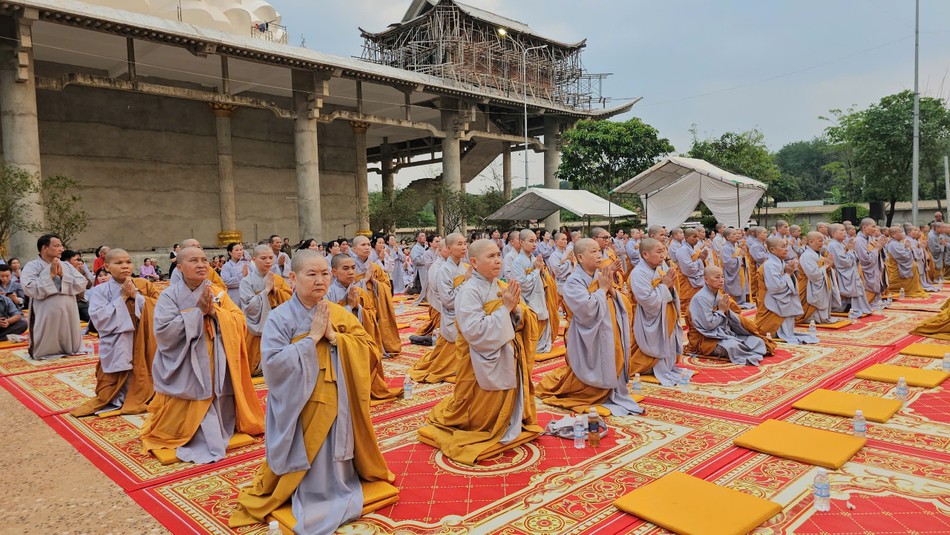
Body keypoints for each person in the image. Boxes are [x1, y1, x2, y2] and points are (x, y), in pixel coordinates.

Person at [229, 251, 396, 534]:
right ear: (292, 278)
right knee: (309, 454)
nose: (320, 281)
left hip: (337, 398)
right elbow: (273, 366)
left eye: (325, 274)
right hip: (301, 405)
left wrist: (335, 338)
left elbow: (369, 350)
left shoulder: (338, 312)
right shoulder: (280, 318)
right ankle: (304, 489)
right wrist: (312, 339)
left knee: (336, 452)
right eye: (312, 274)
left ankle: (339, 483)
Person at [422, 239, 542, 465]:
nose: (497, 260)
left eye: (498, 255)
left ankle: (503, 420)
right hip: (479, 358)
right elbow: (474, 331)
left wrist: (516, 311)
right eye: (491, 256)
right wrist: (505, 309)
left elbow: (524, 317)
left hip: (506, 353)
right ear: (474, 262)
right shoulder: (468, 291)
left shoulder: (501, 286)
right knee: (478, 406)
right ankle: (484, 423)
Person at [140, 246, 264, 464]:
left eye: (204, 260)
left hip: (216, 355)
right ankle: (189, 431)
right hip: (187, 359)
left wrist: (216, 313)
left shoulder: (216, 292)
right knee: (194, 392)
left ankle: (219, 427)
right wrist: (197, 314)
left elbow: (239, 320)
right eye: (194, 260)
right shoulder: (169, 295)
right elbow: (163, 331)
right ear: (179, 267)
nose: (201, 264)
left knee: (218, 391)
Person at [536, 238, 644, 415]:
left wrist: (610, 291)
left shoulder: (599, 277)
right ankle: (591, 390)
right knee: (592, 367)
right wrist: (602, 290)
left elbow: (622, 301)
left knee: (612, 357)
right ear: (580, 257)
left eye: (598, 251)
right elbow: (587, 310)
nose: (598, 255)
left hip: (608, 331)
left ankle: (610, 387)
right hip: (586, 335)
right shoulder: (574, 281)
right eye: (593, 252)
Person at [70, 249, 160, 417]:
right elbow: (98, 318)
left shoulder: (142, 285)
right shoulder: (100, 290)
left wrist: (138, 297)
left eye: (128, 262)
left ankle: (139, 395)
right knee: (117, 371)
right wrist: (123, 299)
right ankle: (118, 397)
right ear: (107, 267)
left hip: (140, 338)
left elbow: (157, 308)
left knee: (140, 366)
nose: (125, 266)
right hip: (115, 340)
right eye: (118, 263)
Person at [327, 254, 403, 404]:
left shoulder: (360, 292)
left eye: (353, 268)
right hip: (338, 342)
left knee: (372, 352)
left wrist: (358, 308)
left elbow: (371, 315)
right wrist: (349, 307)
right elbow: (331, 321)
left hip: (359, 338)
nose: (351, 272)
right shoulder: (328, 294)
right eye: (345, 268)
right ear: (334, 272)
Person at [408, 233, 470, 383]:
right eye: (459, 244)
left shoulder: (465, 267)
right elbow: (448, 300)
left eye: (464, 243)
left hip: (467, 315)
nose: (464, 247)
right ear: (448, 248)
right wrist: (466, 282)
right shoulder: (443, 270)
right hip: (452, 316)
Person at [627, 238, 684, 386]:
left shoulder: (660, 268)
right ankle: (648, 366)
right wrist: (665, 286)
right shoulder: (638, 273)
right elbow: (646, 300)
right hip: (650, 317)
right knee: (653, 342)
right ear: (645, 254)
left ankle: (666, 365)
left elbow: (670, 289)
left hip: (666, 313)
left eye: (663, 251)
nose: (663, 255)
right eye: (659, 252)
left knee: (668, 339)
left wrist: (669, 287)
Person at [22, 235, 89, 360]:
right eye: (57, 245)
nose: (61, 249)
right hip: (45, 308)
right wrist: (50, 275)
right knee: (46, 334)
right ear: (44, 248)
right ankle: (44, 352)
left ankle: (70, 349)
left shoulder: (66, 266)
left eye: (61, 246)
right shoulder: (32, 266)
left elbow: (82, 282)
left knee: (69, 335)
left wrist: (63, 275)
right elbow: (28, 287)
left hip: (68, 306)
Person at [685, 266, 768, 365]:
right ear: (706, 280)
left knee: (757, 341)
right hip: (706, 339)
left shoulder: (718, 294)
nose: (721, 280)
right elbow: (708, 325)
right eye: (717, 277)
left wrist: (726, 311)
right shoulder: (700, 298)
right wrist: (721, 311)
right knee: (733, 347)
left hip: (722, 334)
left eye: (722, 277)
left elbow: (730, 313)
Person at [240, 244, 293, 375]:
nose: (268, 261)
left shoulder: (279, 280)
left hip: (277, 326)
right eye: (263, 258)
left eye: (270, 257)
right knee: (253, 365)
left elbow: (291, 301)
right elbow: (248, 306)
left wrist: (276, 291)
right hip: (257, 327)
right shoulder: (247, 282)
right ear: (254, 259)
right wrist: (266, 291)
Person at [756, 237, 818, 344]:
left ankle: (783, 332)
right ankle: (775, 331)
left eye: (787, 246)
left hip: (779, 298)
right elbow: (775, 287)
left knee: (786, 308)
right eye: (783, 246)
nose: (786, 249)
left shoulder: (779, 262)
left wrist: (789, 273)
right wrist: (788, 274)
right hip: (771, 298)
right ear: (772, 250)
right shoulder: (770, 265)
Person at [352, 236, 402, 357]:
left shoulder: (375, 267)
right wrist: (364, 280)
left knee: (376, 324)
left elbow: (386, 285)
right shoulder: (349, 267)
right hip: (358, 305)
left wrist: (374, 282)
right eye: (363, 245)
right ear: (353, 249)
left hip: (375, 302)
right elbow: (346, 288)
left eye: (368, 245)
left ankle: (377, 346)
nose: (367, 247)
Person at [510, 229, 553, 354]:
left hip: (539, 295)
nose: (534, 244)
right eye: (531, 241)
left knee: (542, 320)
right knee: (532, 322)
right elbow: (523, 284)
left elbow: (543, 277)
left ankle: (540, 346)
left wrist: (542, 271)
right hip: (527, 298)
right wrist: (537, 271)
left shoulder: (534, 259)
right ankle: (531, 347)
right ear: (521, 242)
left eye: (536, 241)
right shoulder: (517, 261)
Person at [826, 224, 873, 318]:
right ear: (833, 233)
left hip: (848, 272)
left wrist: (850, 250)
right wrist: (851, 250)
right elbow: (844, 262)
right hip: (842, 272)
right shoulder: (833, 245)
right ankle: (845, 308)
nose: (844, 233)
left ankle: (853, 307)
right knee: (845, 293)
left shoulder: (839, 244)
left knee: (855, 289)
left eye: (844, 231)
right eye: (842, 231)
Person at [797, 232, 841, 324]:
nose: (822, 243)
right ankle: (811, 317)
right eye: (820, 241)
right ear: (811, 242)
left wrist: (829, 267)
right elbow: (813, 275)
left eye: (823, 241)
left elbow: (823, 268)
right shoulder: (807, 256)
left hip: (819, 284)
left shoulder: (817, 255)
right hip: (807, 286)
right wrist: (825, 266)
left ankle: (820, 317)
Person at [884, 226, 929, 298]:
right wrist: (908, 248)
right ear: (893, 235)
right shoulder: (893, 244)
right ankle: (904, 290)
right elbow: (904, 257)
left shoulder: (898, 243)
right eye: (900, 232)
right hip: (898, 270)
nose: (903, 234)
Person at [855, 218, 888, 309]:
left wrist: (879, 248)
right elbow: (865, 260)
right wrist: (877, 249)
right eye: (873, 226)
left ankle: (875, 301)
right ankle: (867, 303)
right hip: (865, 270)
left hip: (874, 268)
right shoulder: (859, 241)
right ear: (864, 227)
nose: (875, 228)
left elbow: (875, 252)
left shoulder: (870, 238)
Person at [674, 228, 708, 315]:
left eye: (697, 236)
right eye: (694, 237)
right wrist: (700, 259)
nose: (697, 239)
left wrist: (702, 259)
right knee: (687, 305)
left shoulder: (695, 249)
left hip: (697, 279)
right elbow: (688, 269)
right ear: (686, 238)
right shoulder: (682, 250)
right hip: (687, 280)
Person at [720, 228, 753, 308]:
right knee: (734, 290)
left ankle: (741, 302)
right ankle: (733, 303)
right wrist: (740, 256)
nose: (737, 235)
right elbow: (728, 263)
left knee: (742, 286)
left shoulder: (736, 247)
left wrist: (743, 256)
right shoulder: (726, 248)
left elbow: (742, 258)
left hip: (740, 271)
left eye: (738, 233)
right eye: (734, 234)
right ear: (728, 237)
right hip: (732, 273)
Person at [62, 250, 94, 323]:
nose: (77, 262)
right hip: (69, 302)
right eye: (75, 260)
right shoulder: (61, 270)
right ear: (67, 261)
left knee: (92, 318)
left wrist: (80, 274)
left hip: (82, 301)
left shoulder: (80, 270)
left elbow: (88, 285)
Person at [410, 232, 430, 301]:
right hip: (420, 270)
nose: (424, 237)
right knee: (421, 286)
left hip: (427, 269)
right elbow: (416, 260)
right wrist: (425, 255)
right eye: (422, 236)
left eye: (424, 236)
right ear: (417, 238)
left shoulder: (427, 247)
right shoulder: (415, 248)